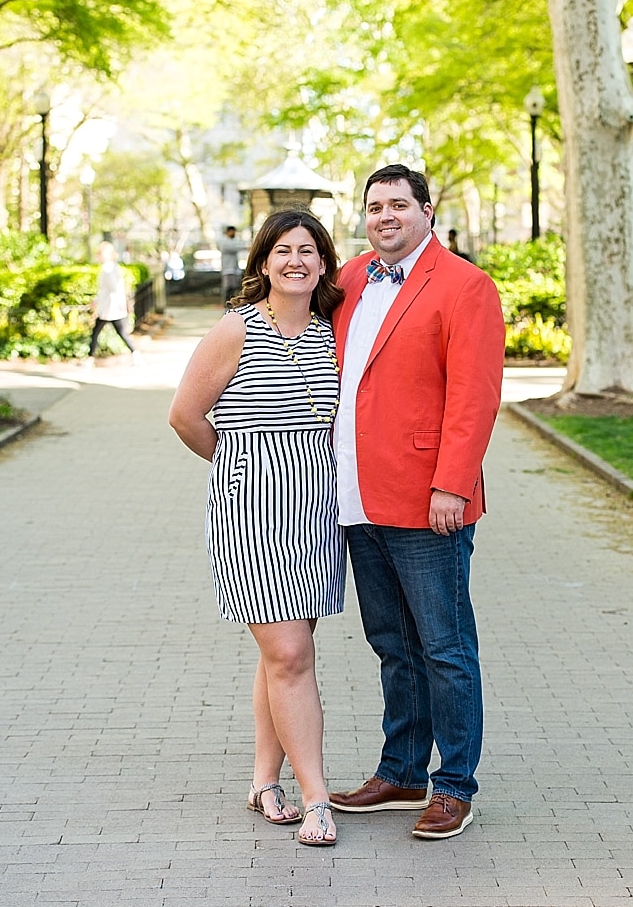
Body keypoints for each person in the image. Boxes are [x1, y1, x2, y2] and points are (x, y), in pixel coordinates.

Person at [327, 164, 506, 841]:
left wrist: (453, 483)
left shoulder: (465, 286)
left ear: (427, 211)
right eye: (375, 206)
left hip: (429, 499)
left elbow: (475, 393)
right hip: (356, 495)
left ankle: (454, 784)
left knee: (444, 647)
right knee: (392, 645)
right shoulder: (348, 279)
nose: (385, 216)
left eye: (399, 204)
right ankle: (401, 770)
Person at [168, 209, 347, 848]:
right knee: (294, 654)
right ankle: (317, 798)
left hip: (321, 510)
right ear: (263, 263)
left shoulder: (335, 330)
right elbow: (185, 415)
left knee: (281, 656)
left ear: (325, 262)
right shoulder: (236, 329)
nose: (295, 260)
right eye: (283, 251)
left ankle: (263, 780)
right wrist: (238, 464)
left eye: (308, 250)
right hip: (255, 505)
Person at [88, 242, 141, 364]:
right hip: (110, 307)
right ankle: (136, 355)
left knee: (101, 333)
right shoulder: (112, 267)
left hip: (110, 308)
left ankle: (90, 360)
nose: (98, 256)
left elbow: (114, 289)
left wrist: (119, 304)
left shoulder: (108, 268)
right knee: (117, 333)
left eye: (100, 253)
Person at [220, 226, 244, 306]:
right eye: (232, 232)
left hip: (234, 268)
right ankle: (226, 304)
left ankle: (234, 303)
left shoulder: (233, 241)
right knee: (228, 288)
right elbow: (233, 248)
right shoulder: (224, 241)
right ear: (228, 232)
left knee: (235, 287)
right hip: (227, 269)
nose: (233, 234)